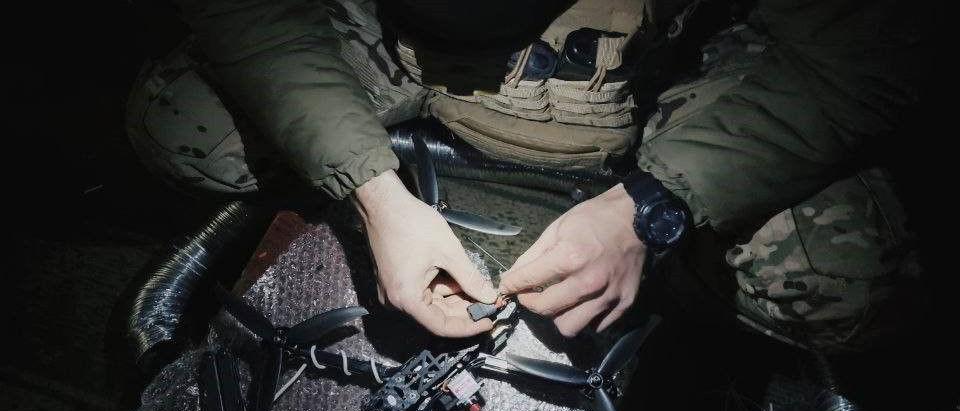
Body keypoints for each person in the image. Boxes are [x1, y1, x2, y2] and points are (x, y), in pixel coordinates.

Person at [127, 0, 924, 354]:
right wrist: (373, 193)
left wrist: (654, 208)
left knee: (838, 281)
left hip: (659, 79)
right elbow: (253, 16)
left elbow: (867, 55)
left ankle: (664, 298)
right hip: (418, 60)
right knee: (182, 122)